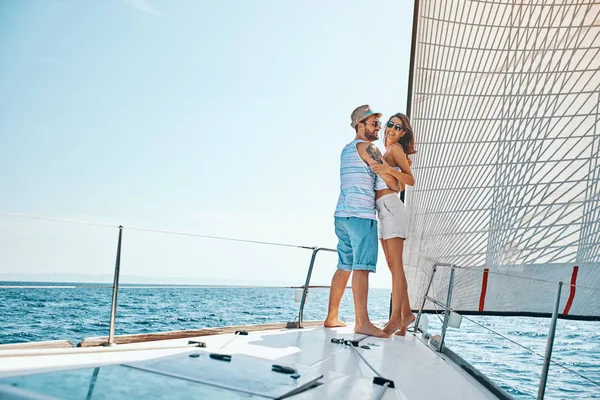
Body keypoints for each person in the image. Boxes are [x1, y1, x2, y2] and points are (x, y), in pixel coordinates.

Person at [324, 105, 400, 338]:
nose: (379, 127)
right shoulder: (369, 148)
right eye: (374, 123)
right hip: (361, 216)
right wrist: (396, 172)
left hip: (342, 215)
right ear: (360, 125)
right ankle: (362, 322)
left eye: (379, 123)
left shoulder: (347, 150)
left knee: (344, 265)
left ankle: (331, 317)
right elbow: (393, 183)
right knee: (362, 268)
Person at [372, 113, 417, 336]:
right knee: (392, 266)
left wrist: (389, 169)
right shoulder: (387, 152)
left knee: (396, 266)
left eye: (397, 127)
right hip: (383, 210)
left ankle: (395, 319)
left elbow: (410, 180)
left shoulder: (396, 150)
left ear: (402, 133)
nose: (391, 128)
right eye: (389, 124)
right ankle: (407, 314)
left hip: (391, 208)